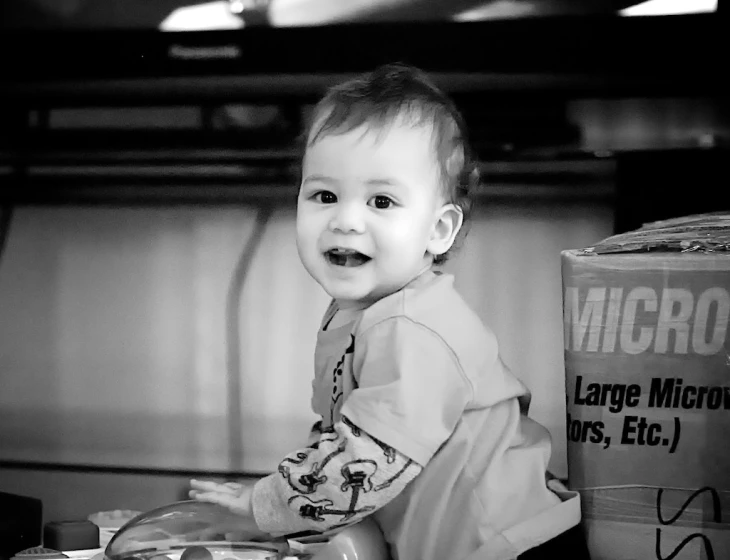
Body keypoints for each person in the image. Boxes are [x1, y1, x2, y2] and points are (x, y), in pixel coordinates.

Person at [190, 63, 587, 560]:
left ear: (438, 231)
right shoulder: (358, 316)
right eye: (325, 195)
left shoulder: (413, 330)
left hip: (508, 546)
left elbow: (369, 462)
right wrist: (293, 517)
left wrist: (266, 504)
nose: (346, 220)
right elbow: (342, 436)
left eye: (381, 200)